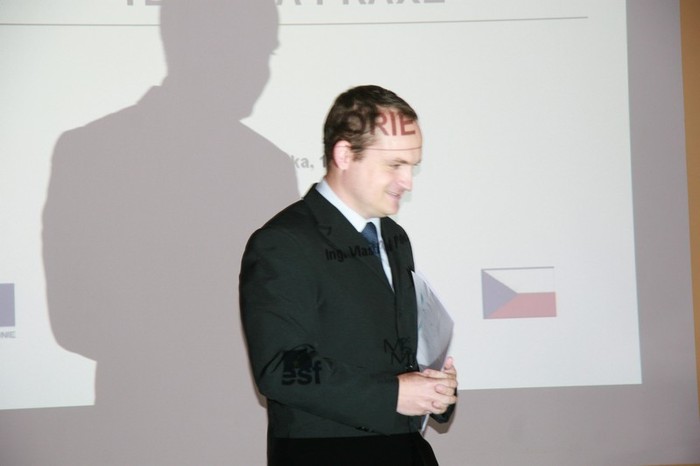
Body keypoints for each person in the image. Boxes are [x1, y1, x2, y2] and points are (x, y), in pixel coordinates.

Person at [240, 85, 457, 465]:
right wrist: (394, 395)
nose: (408, 181)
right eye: (395, 165)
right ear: (344, 155)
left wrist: (431, 386)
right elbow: (281, 368)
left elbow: (397, 352)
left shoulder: (394, 237)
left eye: (412, 165)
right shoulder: (283, 242)